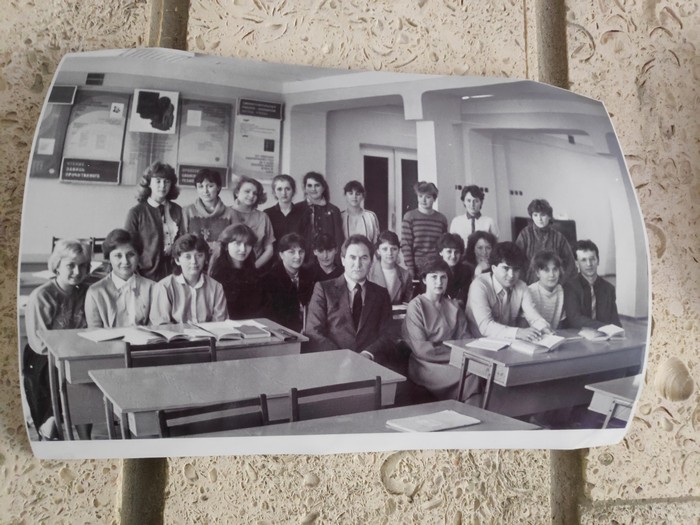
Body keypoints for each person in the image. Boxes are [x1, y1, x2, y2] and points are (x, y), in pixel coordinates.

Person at [24, 239, 91, 440]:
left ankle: (85, 438)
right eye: (71, 265)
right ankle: (49, 429)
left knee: (86, 382)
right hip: (44, 358)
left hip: (75, 354)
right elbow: (40, 344)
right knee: (60, 385)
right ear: (57, 266)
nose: (77, 272)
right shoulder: (42, 296)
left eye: (82, 266)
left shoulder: (87, 291)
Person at [305, 235, 393, 361]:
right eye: (352, 257)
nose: (358, 264)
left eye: (364, 258)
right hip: (332, 362)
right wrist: (342, 357)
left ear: (371, 262)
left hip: (368, 363)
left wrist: (368, 353)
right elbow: (313, 331)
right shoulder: (323, 289)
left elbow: (388, 333)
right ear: (343, 260)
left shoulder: (381, 294)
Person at [402, 257, 476, 400]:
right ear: (424, 280)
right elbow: (422, 349)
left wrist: (461, 356)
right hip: (426, 364)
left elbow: (466, 340)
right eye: (434, 277)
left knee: (481, 373)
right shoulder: (416, 306)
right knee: (471, 375)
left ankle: (473, 409)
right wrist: (458, 355)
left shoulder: (454, 306)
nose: (439, 282)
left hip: (455, 360)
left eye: (443, 277)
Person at [466, 242, 551, 341]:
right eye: (506, 268)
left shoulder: (522, 287)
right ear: (493, 268)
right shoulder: (479, 285)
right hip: (476, 342)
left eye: (516, 269)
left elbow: (533, 315)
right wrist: (517, 332)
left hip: (508, 342)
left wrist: (544, 328)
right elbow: (486, 326)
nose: (511, 275)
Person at [125, 161, 185, 281]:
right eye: (158, 181)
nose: (162, 186)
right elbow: (128, 247)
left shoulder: (178, 210)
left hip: (174, 273)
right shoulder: (136, 213)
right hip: (146, 275)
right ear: (149, 183)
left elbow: (183, 242)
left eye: (166, 181)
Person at [150, 234, 227, 325]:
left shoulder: (216, 287)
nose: (194, 261)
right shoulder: (164, 287)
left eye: (199, 255)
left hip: (209, 334)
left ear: (205, 258)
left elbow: (220, 324)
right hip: (176, 334)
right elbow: (162, 325)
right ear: (177, 260)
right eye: (187, 257)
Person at [85, 229, 155, 328]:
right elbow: (94, 331)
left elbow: (156, 328)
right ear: (108, 258)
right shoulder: (95, 292)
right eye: (118, 255)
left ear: (138, 256)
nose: (125, 261)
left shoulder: (153, 288)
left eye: (131, 254)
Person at [261, 233, 316, 333]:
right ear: (281, 255)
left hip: (309, 330)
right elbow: (270, 317)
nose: (298, 256)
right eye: (292, 252)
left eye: (301, 252)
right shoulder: (268, 280)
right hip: (281, 333)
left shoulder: (311, 276)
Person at [515, 198, 576, 285]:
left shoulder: (559, 237)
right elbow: (516, 261)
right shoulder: (525, 234)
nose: (539, 219)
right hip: (529, 284)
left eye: (543, 215)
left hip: (553, 284)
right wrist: (523, 284)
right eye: (535, 215)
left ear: (549, 216)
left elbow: (571, 264)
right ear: (532, 216)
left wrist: (560, 283)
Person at [209, 224, 264, 320]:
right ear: (226, 246)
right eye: (237, 243)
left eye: (247, 244)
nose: (243, 249)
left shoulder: (254, 273)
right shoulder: (217, 275)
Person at [563, 239, 621, 328]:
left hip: (604, 334)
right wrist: (604, 327)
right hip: (578, 333)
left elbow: (615, 320)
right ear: (577, 264)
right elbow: (575, 319)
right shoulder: (570, 287)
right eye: (583, 260)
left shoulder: (609, 289)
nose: (589, 264)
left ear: (598, 260)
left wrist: (617, 331)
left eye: (592, 259)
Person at [400, 181, 448, 278]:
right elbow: (406, 245)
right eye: (420, 196)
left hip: (437, 266)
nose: (423, 200)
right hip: (416, 267)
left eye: (428, 197)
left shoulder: (441, 219)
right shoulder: (409, 216)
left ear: (434, 199)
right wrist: (410, 268)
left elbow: (444, 245)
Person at [230, 176, 275, 270]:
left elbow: (269, 250)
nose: (251, 196)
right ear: (237, 192)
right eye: (247, 191)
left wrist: (253, 269)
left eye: (255, 193)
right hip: (228, 269)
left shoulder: (263, 217)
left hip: (255, 269)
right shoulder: (226, 213)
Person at [182, 168, 235, 247]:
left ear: (218, 187)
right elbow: (182, 241)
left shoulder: (230, 212)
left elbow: (234, 241)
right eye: (201, 186)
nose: (205, 191)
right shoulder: (187, 211)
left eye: (210, 186)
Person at [298, 171, 344, 260]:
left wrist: (336, 262)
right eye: (309, 185)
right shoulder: (297, 209)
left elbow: (338, 240)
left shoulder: (334, 210)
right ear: (304, 188)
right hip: (303, 260)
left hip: (327, 259)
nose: (313, 189)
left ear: (323, 188)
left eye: (317, 185)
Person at [367, 230, 413, 305]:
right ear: (378, 251)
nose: (389, 253)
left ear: (398, 250)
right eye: (385, 249)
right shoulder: (368, 273)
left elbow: (407, 304)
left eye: (394, 249)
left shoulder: (406, 275)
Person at [263, 174, 304, 253]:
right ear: (274, 192)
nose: (284, 193)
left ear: (293, 191)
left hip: (296, 256)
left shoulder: (303, 213)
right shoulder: (267, 213)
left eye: (287, 189)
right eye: (279, 189)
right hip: (274, 257)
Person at [528, 251, 566, 329]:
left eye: (555, 269)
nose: (552, 275)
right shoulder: (530, 292)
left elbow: (561, 325)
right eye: (546, 270)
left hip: (553, 334)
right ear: (537, 273)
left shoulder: (561, 291)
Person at [436, 233, 474, 309]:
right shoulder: (433, 271)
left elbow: (464, 295)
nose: (453, 256)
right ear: (440, 252)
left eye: (456, 252)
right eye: (449, 251)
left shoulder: (466, 271)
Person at [340, 180, 380, 244]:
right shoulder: (340, 216)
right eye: (351, 193)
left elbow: (376, 241)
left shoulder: (371, 216)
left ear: (363, 196)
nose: (354, 197)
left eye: (358, 194)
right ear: (345, 195)